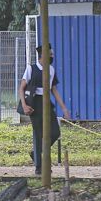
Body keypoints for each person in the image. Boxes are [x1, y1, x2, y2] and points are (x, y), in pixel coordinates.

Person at [19, 44, 69, 176]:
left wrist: (63, 107)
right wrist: (24, 105)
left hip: (47, 103)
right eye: (50, 54)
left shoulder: (51, 70)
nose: (52, 56)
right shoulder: (31, 69)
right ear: (42, 55)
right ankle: (39, 166)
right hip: (34, 104)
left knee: (55, 132)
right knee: (38, 134)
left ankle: (36, 153)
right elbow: (22, 88)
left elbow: (54, 90)